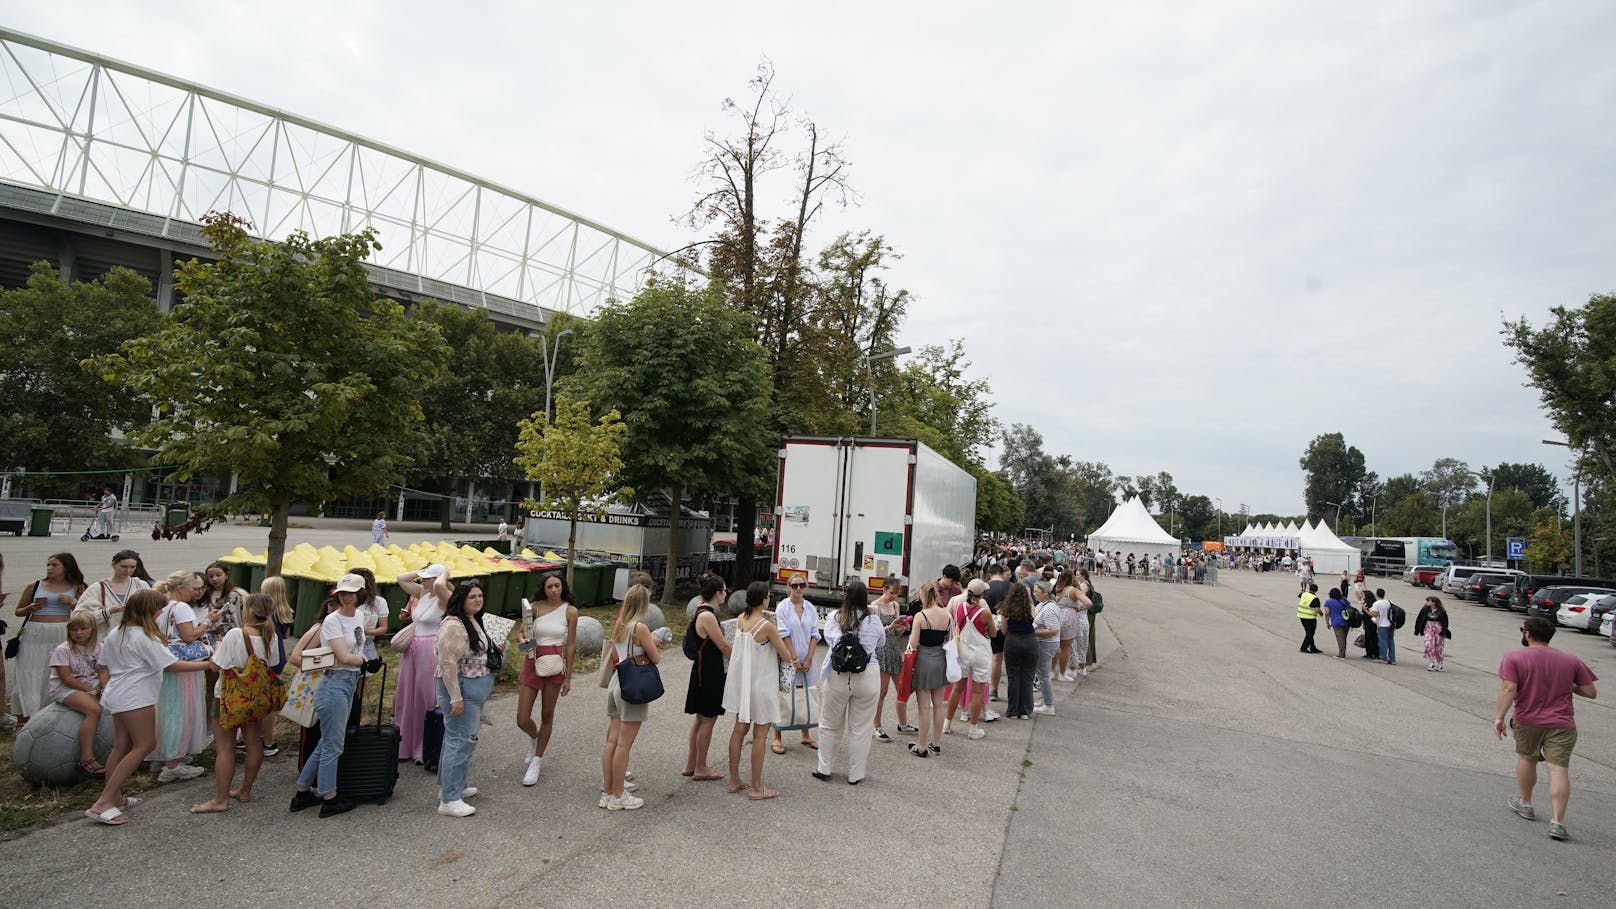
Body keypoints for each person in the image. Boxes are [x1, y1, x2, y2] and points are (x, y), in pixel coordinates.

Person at [85, 590, 212, 825]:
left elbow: (103, 665)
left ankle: (115, 795)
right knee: (145, 745)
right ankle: (103, 802)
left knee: (121, 746)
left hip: (117, 693)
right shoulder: (145, 637)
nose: (161, 612)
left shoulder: (116, 632)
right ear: (148, 610)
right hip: (136, 696)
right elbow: (171, 665)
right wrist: (208, 665)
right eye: (158, 608)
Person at [1496, 616, 1598, 841]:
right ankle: (1558, 822)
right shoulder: (1570, 659)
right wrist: (1569, 686)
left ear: (1528, 634)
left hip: (1528, 720)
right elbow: (1591, 692)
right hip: (1562, 723)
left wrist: (1499, 717)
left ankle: (1526, 803)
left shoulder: (1514, 657)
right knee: (1558, 769)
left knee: (1527, 758)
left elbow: (1509, 689)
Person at [190, 593, 283, 813]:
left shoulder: (236, 634)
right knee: (253, 742)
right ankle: (245, 790)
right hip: (255, 699)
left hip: (228, 697)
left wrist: (220, 647)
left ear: (248, 611)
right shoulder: (271, 635)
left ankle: (221, 799)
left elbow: (215, 666)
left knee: (225, 748)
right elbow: (274, 663)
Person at [290, 574, 370, 818]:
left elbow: (354, 647)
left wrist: (359, 661)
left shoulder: (358, 615)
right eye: (343, 593)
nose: (347, 597)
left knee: (328, 741)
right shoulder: (331, 621)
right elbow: (345, 657)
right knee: (334, 744)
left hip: (348, 680)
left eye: (351, 593)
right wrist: (365, 660)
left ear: (359, 595)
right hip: (335, 681)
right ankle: (329, 796)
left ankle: (303, 791)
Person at [722, 582, 795, 798]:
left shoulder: (741, 620)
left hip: (743, 683)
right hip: (762, 684)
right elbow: (786, 655)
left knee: (738, 728)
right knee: (760, 734)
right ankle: (756, 787)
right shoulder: (766, 626)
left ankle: (734, 779)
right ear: (764, 599)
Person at [433, 580, 499, 817]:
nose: (478, 600)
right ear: (460, 599)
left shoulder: (472, 621)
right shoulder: (453, 624)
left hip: (473, 690)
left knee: (458, 740)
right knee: (460, 741)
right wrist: (455, 697)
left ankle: (452, 787)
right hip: (461, 690)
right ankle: (449, 799)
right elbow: (447, 661)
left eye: (480, 595)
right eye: (472, 596)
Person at [814, 581, 884, 784]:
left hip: (838, 675)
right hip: (867, 675)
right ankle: (855, 774)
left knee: (829, 723)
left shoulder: (835, 618)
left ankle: (824, 768)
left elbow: (830, 640)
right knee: (861, 728)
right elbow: (881, 644)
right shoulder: (874, 621)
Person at [600, 584, 660, 810]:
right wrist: (652, 644)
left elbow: (615, 654)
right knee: (625, 744)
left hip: (618, 679)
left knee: (612, 741)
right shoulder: (640, 628)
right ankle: (619, 794)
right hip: (633, 685)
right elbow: (655, 658)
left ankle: (608, 790)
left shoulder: (620, 625)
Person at [516, 572, 578, 786]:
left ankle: (537, 760)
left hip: (555, 665)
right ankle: (534, 738)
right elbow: (521, 634)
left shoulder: (570, 611)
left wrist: (568, 676)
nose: (553, 590)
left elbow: (570, 645)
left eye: (557, 586)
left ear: (563, 587)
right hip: (532, 661)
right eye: (549, 586)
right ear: (544, 588)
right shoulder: (534, 607)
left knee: (547, 715)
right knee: (522, 718)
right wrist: (524, 642)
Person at [11, 553, 88, 723]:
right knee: (30, 673)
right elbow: (18, 611)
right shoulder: (35, 585)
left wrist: (73, 602)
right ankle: (24, 717)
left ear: (66, 567)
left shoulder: (78, 587)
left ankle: (53, 715)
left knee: (56, 673)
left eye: (54, 565)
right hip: (35, 633)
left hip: (62, 632)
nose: (50, 568)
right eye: (48, 565)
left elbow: (86, 613)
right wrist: (31, 607)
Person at [151, 570, 210, 781]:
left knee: (167, 711)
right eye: (193, 588)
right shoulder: (182, 608)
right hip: (182, 666)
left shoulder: (161, 606)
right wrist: (208, 623)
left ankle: (165, 754)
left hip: (164, 664)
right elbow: (189, 635)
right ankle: (173, 762)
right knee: (181, 712)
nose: (196, 593)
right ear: (181, 588)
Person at [396, 563, 453, 763]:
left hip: (430, 649)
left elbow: (439, 586)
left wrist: (444, 572)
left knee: (426, 696)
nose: (423, 580)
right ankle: (406, 744)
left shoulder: (442, 597)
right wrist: (422, 569)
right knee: (407, 695)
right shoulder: (422, 593)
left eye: (428, 577)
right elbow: (401, 578)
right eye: (423, 577)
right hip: (412, 649)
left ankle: (426, 745)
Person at [682, 574, 731, 781]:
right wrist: (740, 661)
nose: (726, 594)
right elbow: (723, 645)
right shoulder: (707, 616)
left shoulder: (700, 608)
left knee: (700, 718)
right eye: (725, 590)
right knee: (708, 719)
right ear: (717, 593)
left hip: (703, 668)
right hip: (709, 670)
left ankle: (691, 764)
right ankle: (701, 767)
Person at [49, 612, 108, 777]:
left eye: (83, 628)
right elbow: (66, 678)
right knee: (93, 710)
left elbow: (103, 671)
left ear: (92, 629)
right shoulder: (63, 650)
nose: (78, 633)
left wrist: (103, 689)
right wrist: (91, 691)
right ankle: (86, 759)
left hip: (94, 686)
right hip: (67, 688)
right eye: (74, 629)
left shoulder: (100, 647)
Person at [771, 576, 821, 754]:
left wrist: (808, 658)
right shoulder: (783, 607)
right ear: (788, 587)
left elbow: (815, 634)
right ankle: (777, 735)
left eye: (802, 585)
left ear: (806, 587)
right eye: (794, 585)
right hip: (788, 658)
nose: (798, 588)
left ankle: (805, 733)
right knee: (784, 694)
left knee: (806, 693)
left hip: (807, 659)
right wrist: (793, 658)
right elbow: (782, 634)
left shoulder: (810, 608)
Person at [904, 582, 954, 757]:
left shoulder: (920, 616)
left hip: (924, 662)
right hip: (941, 661)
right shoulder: (947, 615)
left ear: (924, 596)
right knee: (938, 705)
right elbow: (949, 640)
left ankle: (922, 746)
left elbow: (914, 643)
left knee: (924, 708)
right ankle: (937, 743)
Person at [944, 579, 996, 739]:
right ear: (981, 595)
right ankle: (973, 729)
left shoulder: (959, 607)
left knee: (957, 688)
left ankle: (946, 724)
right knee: (977, 691)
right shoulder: (984, 613)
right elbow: (993, 633)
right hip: (980, 653)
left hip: (963, 652)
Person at [255, 576, 296, 757]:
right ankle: (266, 740)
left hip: (266, 657)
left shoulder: (263, 616)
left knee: (263, 703)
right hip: (279, 658)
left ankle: (265, 741)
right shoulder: (286, 612)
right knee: (268, 701)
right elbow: (287, 636)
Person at [75, 550, 153, 640]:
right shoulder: (98, 588)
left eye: (132, 567)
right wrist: (108, 612)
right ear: (114, 565)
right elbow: (79, 617)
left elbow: (154, 612)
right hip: (105, 641)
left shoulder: (141, 585)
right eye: (124, 566)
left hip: (135, 641)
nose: (128, 571)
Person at [871, 577, 910, 742]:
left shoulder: (895, 606)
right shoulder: (875, 606)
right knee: (882, 692)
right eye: (892, 593)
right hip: (881, 651)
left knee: (902, 689)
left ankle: (903, 723)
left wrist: (902, 629)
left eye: (897, 593)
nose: (894, 596)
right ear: (884, 589)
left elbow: (896, 633)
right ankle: (876, 726)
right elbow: (874, 632)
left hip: (894, 649)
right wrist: (891, 627)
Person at [1000, 584, 1039, 720]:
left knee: (1013, 676)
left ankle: (1013, 710)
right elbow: (1034, 623)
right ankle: (1025, 710)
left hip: (1013, 641)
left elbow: (1004, 631)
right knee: (1027, 676)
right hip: (1030, 641)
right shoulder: (1031, 608)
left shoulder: (1006, 609)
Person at [1031, 581, 1062, 715]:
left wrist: (1033, 632)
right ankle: (1045, 700)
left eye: (1036, 591)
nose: (1034, 594)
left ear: (1044, 593)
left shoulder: (1049, 609)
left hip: (1046, 643)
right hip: (1044, 642)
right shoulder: (1043, 604)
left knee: (1043, 675)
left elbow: (1054, 630)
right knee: (1041, 674)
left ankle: (1049, 705)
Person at [1414, 596, 1452, 672]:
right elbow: (1419, 619)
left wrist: (1443, 631)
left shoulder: (1441, 611)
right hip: (1428, 628)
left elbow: (1445, 622)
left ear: (1434, 602)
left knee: (1438, 647)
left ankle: (1440, 664)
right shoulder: (1425, 610)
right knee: (1428, 644)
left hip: (1438, 629)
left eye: (1429, 601)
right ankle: (1431, 662)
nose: (1427, 602)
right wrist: (1417, 630)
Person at [1322, 587, 1352, 660]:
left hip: (1337, 622)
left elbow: (1327, 613)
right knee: (1344, 638)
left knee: (1340, 638)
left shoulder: (1328, 602)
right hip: (1346, 621)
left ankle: (1342, 654)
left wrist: (1327, 623)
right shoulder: (1344, 600)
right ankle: (1343, 651)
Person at [1369, 588, 1395, 665]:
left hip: (1382, 625)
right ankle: (1392, 658)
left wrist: (1367, 610)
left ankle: (1383, 657)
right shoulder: (1389, 602)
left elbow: (1374, 614)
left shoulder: (1376, 603)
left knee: (1382, 642)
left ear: (1376, 594)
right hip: (1390, 624)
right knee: (1391, 641)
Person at [1296, 583, 1324, 654]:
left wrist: (1302, 591)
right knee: (1310, 633)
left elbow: (1298, 594)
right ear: (1316, 590)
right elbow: (1317, 610)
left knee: (1308, 633)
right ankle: (1304, 648)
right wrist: (1321, 614)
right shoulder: (1315, 599)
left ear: (1309, 589)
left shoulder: (1304, 594)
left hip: (1302, 616)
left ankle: (1313, 647)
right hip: (1310, 618)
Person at [1358, 588, 1381, 661]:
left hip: (1371, 623)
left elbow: (1372, 615)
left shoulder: (1371, 604)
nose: (1362, 596)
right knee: (1367, 638)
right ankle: (1369, 653)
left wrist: (1365, 609)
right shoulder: (1365, 603)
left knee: (1372, 638)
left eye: (1363, 595)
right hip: (1366, 623)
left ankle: (1374, 653)